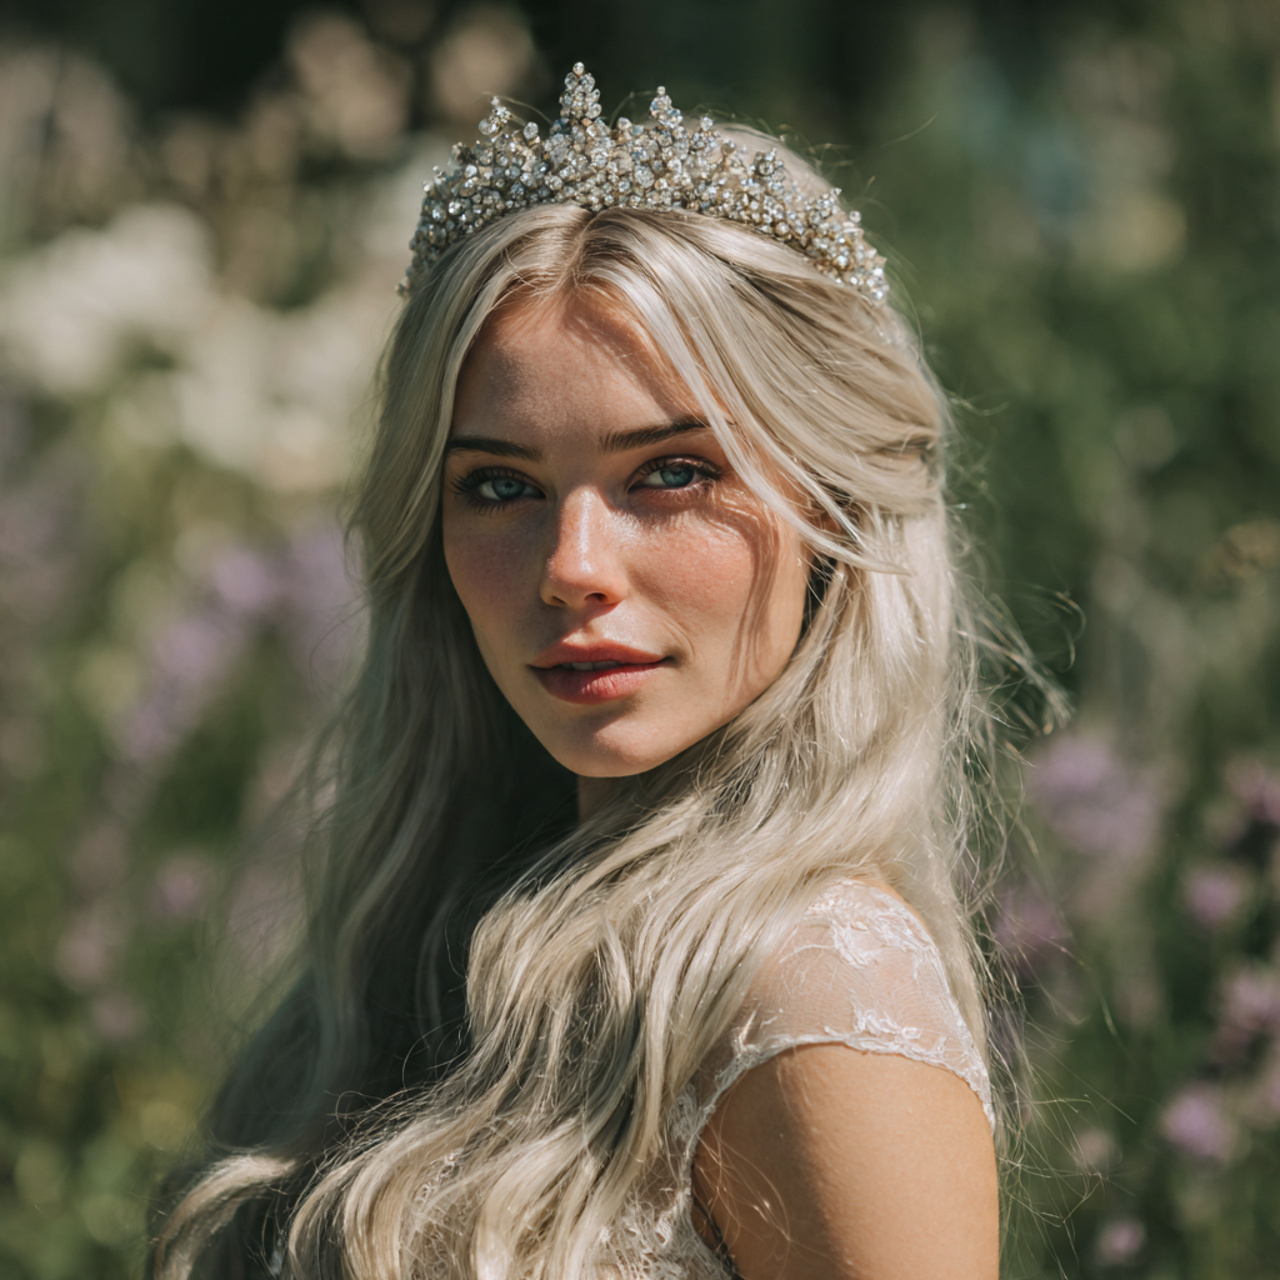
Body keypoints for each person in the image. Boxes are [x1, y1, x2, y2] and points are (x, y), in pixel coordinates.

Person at [153, 64, 1018, 1280]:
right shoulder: (439, 939)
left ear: (831, 505)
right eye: (499, 484)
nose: (570, 566)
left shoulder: (817, 988)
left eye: (669, 472)